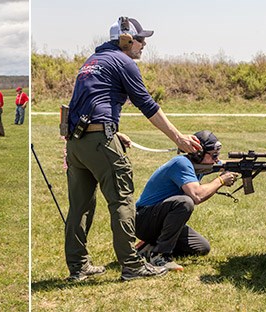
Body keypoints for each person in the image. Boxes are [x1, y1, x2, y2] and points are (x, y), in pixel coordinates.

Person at [63, 17, 203, 282]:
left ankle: (78, 267)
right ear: (126, 40)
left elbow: (87, 101)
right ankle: (132, 266)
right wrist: (178, 139)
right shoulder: (123, 61)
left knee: (79, 206)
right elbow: (147, 104)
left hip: (77, 141)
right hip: (98, 140)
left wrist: (113, 131)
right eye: (141, 39)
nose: (144, 44)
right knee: (122, 201)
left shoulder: (92, 62)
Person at [134, 130, 239, 271]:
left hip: (159, 218)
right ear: (198, 153)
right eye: (214, 155)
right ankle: (160, 256)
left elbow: (224, 164)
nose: (216, 159)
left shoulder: (200, 163)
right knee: (185, 202)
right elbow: (197, 195)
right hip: (143, 219)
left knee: (201, 247)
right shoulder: (181, 163)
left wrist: (245, 166)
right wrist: (220, 180)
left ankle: (149, 247)